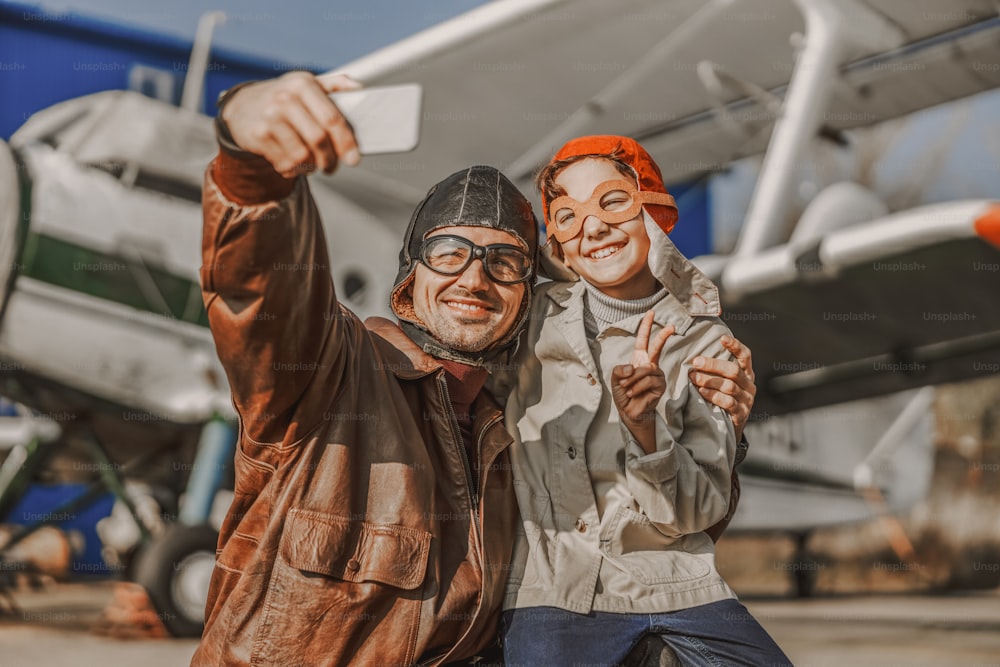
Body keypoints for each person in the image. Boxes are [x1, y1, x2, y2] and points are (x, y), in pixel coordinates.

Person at [191, 72, 757, 666]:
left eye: (505, 261)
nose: (474, 278)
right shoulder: (328, 373)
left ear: (528, 293)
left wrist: (710, 430)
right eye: (448, 252)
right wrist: (249, 162)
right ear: (412, 276)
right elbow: (258, 290)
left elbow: (653, 540)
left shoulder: (529, 436)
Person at [499, 136, 790, 666]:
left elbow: (697, 512)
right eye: (567, 216)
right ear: (557, 245)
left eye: (613, 202)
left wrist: (646, 432)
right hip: (553, 585)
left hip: (680, 584)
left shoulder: (707, 343)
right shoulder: (524, 321)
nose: (593, 227)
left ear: (654, 210)